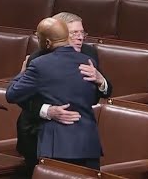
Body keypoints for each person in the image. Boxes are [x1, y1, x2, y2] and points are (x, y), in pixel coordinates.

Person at [14, 12, 112, 176]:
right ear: (59, 34)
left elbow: (99, 94)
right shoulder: (38, 58)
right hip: (38, 132)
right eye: (75, 33)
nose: (80, 38)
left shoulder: (88, 54)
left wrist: (102, 81)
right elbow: (22, 98)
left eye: (82, 33)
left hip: (79, 136)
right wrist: (48, 111)